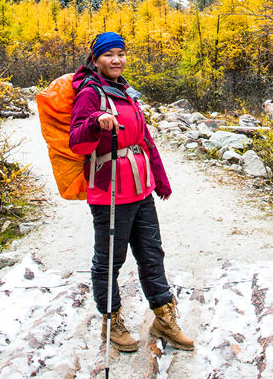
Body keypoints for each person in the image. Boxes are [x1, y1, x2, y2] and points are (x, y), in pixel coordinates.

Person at [69, 31, 194, 353]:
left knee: (152, 254)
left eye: (121, 54)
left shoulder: (125, 91)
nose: (117, 60)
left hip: (141, 189)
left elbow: (145, 139)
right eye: (109, 55)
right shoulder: (89, 93)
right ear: (95, 59)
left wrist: (161, 179)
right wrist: (97, 122)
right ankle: (111, 323)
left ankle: (164, 319)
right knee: (110, 261)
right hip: (109, 191)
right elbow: (77, 141)